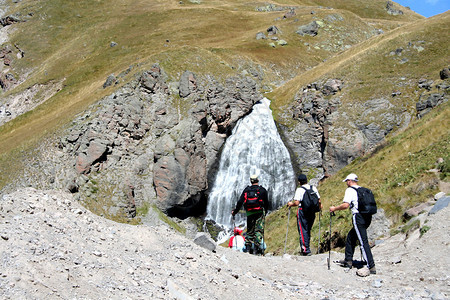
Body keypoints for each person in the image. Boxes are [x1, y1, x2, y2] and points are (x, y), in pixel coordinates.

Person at [329, 173, 376, 277]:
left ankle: (371, 266)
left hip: (358, 217)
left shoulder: (350, 190)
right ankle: (348, 260)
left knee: (363, 241)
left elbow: (346, 205)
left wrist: (334, 208)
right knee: (351, 236)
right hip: (368, 216)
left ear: (350, 181)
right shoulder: (363, 189)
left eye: (347, 181)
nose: (346, 183)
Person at [231, 174, 269, 255]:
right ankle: (256, 249)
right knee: (258, 230)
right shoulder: (262, 190)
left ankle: (248, 249)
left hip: (249, 212)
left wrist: (235, 211)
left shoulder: (246, 190)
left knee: (250, 230)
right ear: (258, 180)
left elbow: (240, 202)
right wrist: (265, 212)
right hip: (259, 212)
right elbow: (266, 203)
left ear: (250, 181)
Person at [287, 174, 322, 256]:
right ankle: (307, 248)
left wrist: (290, 204)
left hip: (303, 211)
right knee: (308, 230)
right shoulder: (313, 188)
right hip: (312, 212)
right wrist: (320, 209)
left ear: (299, 182)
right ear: (306, 180)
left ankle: (306, 250)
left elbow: (296, 203)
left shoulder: (300, 190)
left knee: (303, 230)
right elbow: (319, 201)